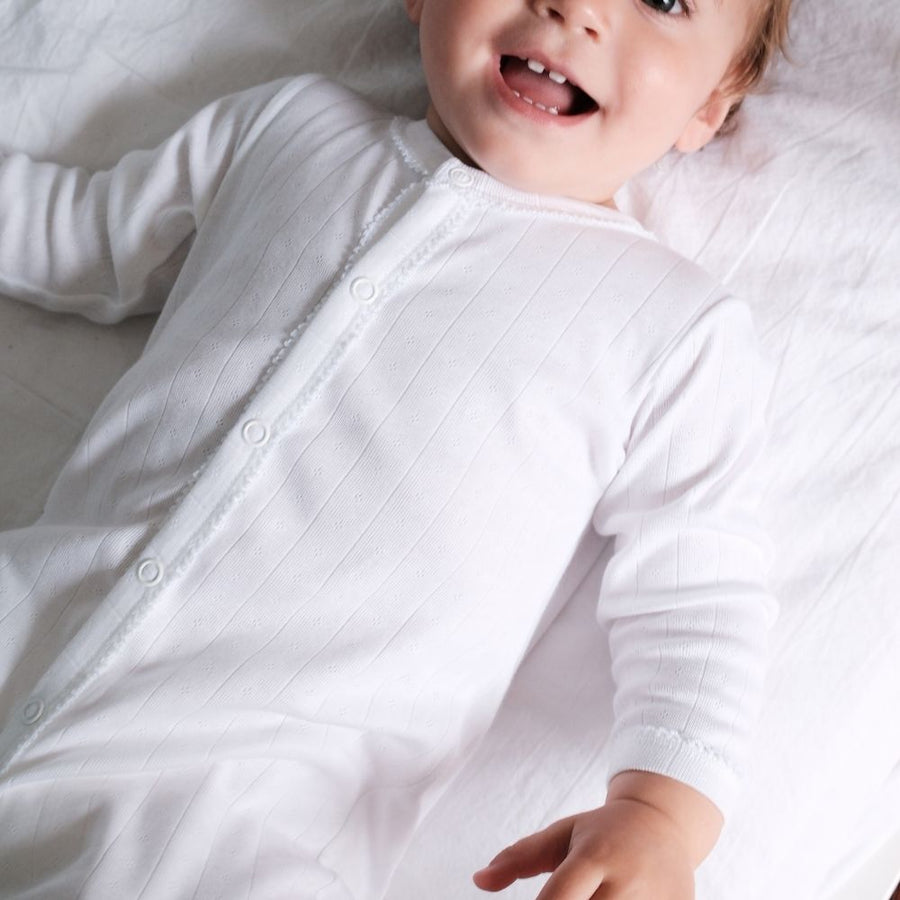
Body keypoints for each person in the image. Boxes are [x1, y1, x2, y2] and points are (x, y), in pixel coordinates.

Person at [0, 0, 789, 897]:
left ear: (713, 100)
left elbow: (700, 598)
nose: (576, 6)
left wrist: (661, 815)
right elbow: (83, 234)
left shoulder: (674, 327)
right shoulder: (289, 128)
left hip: (227, 811)